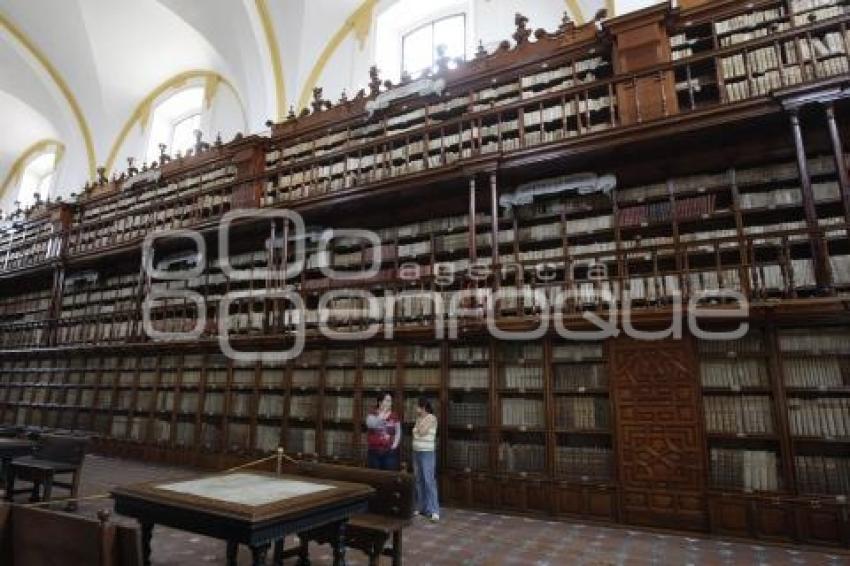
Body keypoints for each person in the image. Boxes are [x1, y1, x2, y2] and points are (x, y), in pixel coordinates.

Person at [412, 396, 439, 521]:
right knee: (418, 480)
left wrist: (417, 429)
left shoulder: (432, 418)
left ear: (423, 407)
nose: (415, 408)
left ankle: (434, 511)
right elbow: (418, 431)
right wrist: (418, 429)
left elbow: (421, 432)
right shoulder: (418, 418)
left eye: (417, 406)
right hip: (416, 451)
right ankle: (421, 507)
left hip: (427, 453)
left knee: (429, 481)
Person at [366, 391, 401, 470]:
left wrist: (394, 445)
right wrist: (381, 415)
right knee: (374, 476)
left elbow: (398, 432)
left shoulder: (394, 415)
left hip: (389, 452)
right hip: (374, 451)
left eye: (390, 401)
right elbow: (371, 425)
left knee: (388, 477)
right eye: (387, 401)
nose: (390, 403)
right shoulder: (372, 414)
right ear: (380, 402)